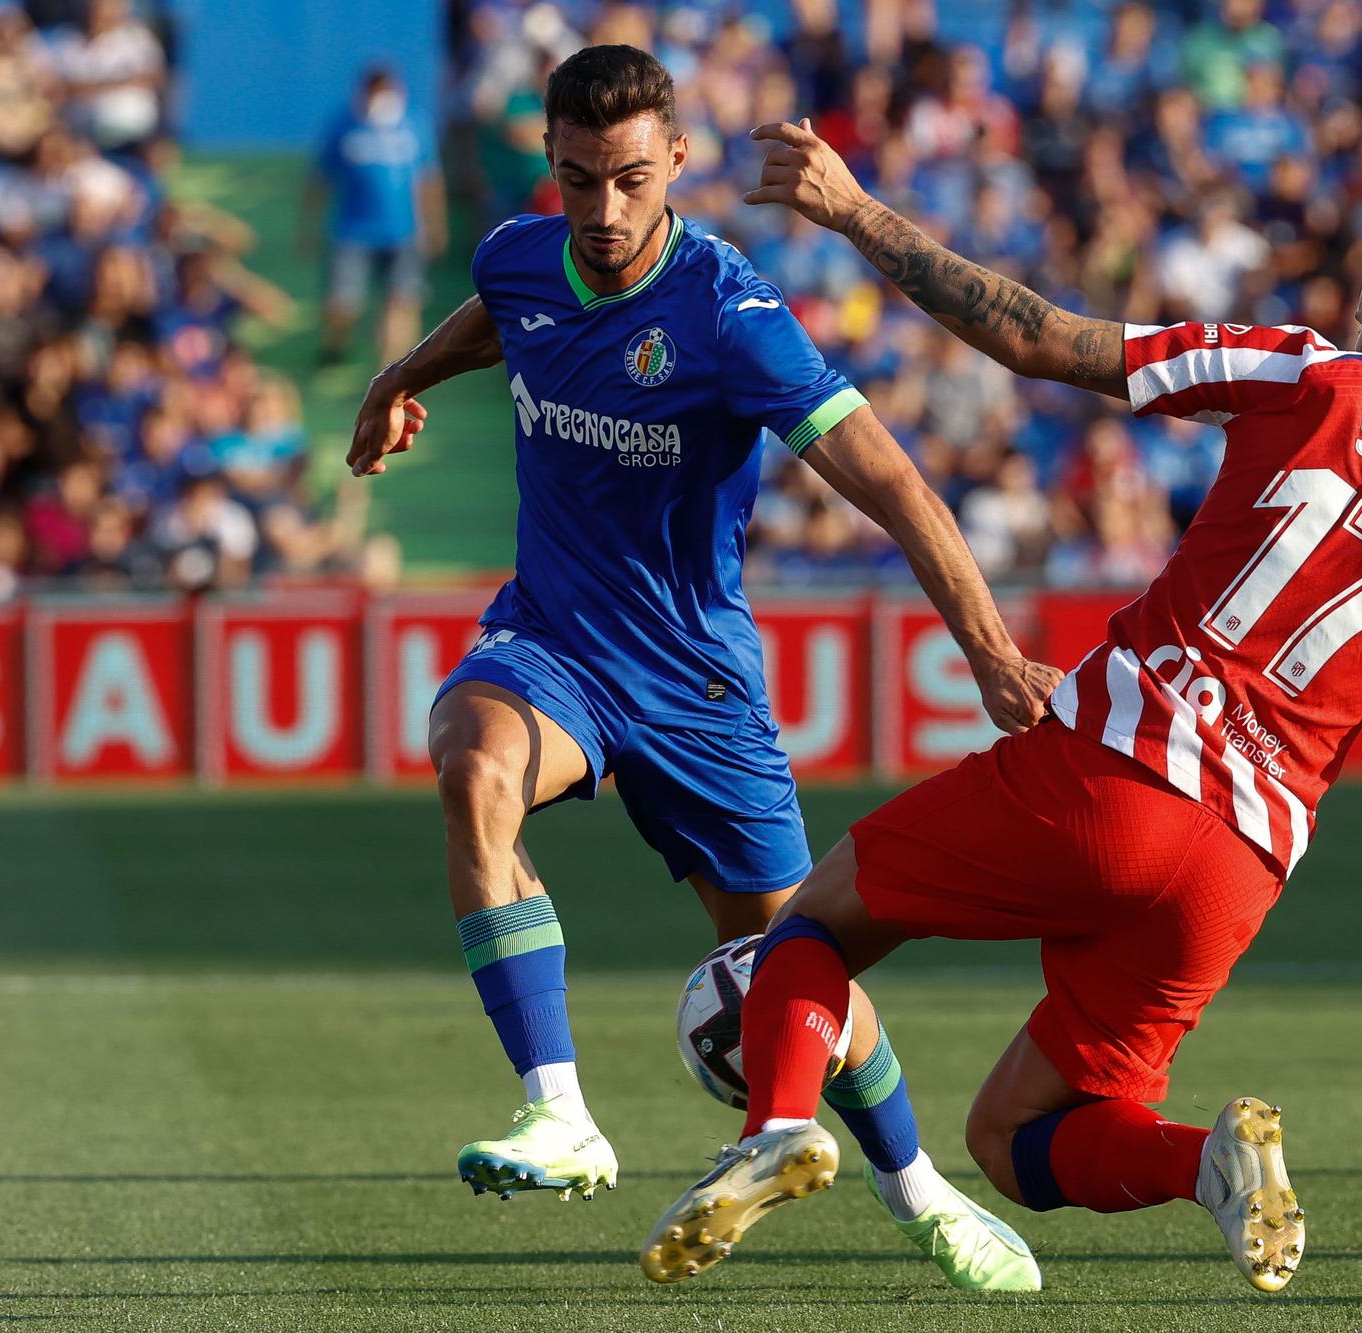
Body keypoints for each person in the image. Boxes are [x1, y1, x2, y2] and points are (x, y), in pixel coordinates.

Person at [640, 122, 1362, 1294]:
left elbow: (1036, 339)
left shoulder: (1311, 370)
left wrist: (857, 210)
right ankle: (1207, 1167)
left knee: (812, 926)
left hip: (1116, 766)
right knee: (1019, 1138)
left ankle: (775, 1128)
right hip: (1241, 863)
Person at [343, 48, 1053, 1293]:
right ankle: (559, 1109)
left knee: (789, 964)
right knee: (469, 759)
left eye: (627, 179)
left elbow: (891, 482)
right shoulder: (519, 253)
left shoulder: (730, 316)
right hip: (553, 642)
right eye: (576, 181)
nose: (603, 212)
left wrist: (991, 653)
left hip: (694, 681)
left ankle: (915, 1185)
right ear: (551, 169)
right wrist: (401, 375)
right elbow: (505, 316)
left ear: (675, 159)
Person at [309, 68, 446, 370]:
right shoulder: (343, 124)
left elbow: (428, 177)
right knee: (343, 303)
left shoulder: (414, 123)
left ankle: (393, 370)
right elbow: (320, 178)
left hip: (404, 232)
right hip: (353, 231)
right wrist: (309, 226)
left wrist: (435, 225)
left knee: (402, 300)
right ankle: (335, 347)